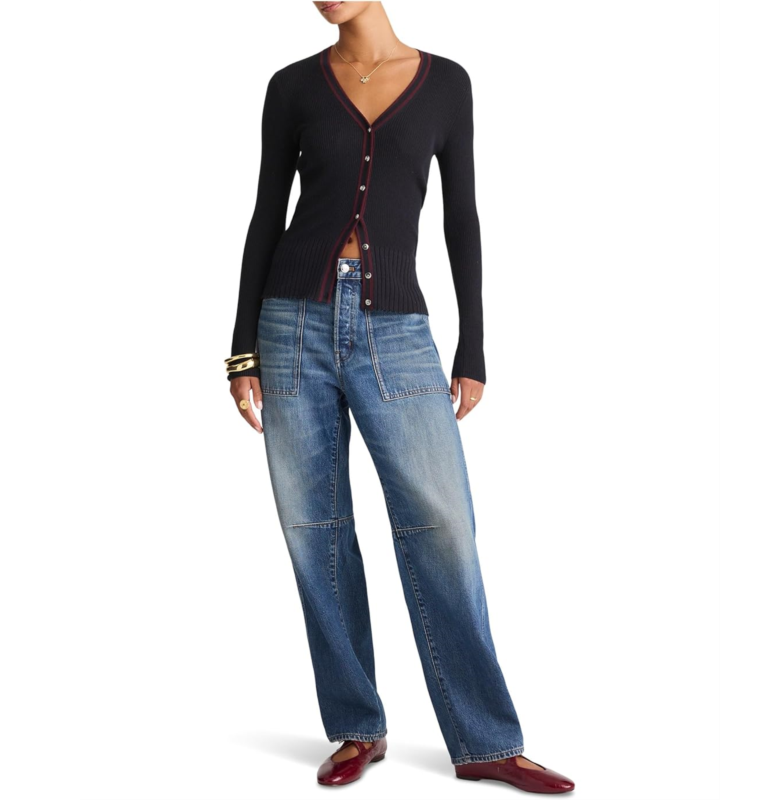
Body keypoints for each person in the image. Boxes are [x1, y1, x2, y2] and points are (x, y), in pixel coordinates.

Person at [226, 1, 574, 793]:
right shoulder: (291, 87)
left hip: (398, 331)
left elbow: (461, 217)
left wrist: (473, 345)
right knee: (315, 530)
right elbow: (265, 216)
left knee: (443, 528)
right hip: (292, 325)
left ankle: (485, 740)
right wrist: (242, 346)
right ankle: (357, 726)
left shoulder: (446, 83)